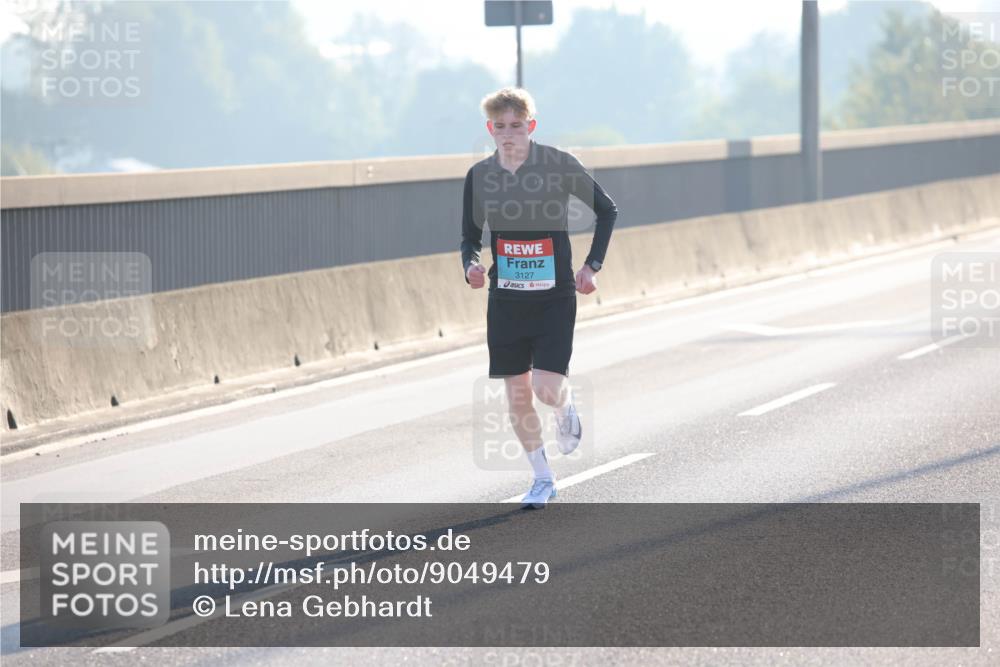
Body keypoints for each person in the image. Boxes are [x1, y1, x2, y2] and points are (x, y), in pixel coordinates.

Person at [460, 87, 618, 509]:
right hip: (506, 300)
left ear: (531, 126)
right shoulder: (480, 176)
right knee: (516, 394)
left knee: (547, 389)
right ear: (489, 130)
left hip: (553, 298)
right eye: (500, 127)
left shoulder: (558, 165)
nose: (508, 134)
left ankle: (565, 408)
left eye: (516, 126)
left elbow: (607, 210)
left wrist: (592, 266)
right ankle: (542, 479)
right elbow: (469, 237)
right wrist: (470, 266)